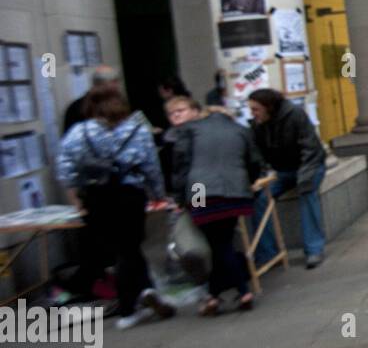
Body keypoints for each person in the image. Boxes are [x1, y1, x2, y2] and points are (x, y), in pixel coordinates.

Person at [56, 83, 175, 329]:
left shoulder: (79, 132)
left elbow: (66, 168)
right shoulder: (137, 130)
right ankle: (129, 308)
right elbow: (151, 165)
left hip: (96, 196)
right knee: (128, 248)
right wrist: (157, 193)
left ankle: (145, 291)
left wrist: (77, 199)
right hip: (129, 194)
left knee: (121, 250)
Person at [166, 95, 263, 314]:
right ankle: (215, 295)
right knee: (222, 241)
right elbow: (255, 162)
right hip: (235, 192)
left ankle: (239, 290)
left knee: (216, 243)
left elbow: (181, 166)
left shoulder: (191, 130)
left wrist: (181, 199)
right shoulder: (240, 129)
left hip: (200, 190)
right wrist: (247, 182)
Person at [247, 88, 327, 269]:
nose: (252, 114)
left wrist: (304, 177)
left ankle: (314, 249)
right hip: (283, 170)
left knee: (307, 193)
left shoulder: (295, 115)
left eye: (255, 109)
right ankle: (268, 252)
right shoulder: (258, 125)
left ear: (269, 107)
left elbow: (310, 148)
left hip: (308, 166)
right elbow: (258, 155)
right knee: (260, 199)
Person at [62, 64, 120, 135]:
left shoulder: (118, 104)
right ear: (101, 84)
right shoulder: (77, 108)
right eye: (114, 81)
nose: (117, 86)